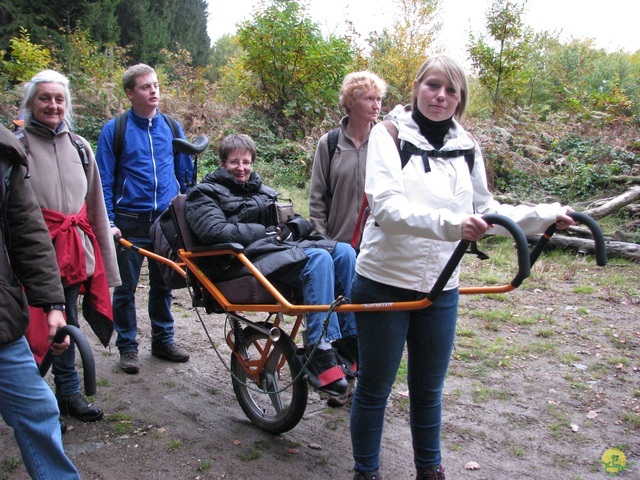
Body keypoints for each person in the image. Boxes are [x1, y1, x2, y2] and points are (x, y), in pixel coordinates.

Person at [349, 55, 577, 480]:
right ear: (416, 87)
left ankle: (429, 470)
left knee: (429, 390)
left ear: (461, 99)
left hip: (442, 286)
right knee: (375, 388)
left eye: (451, 90)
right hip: (384, 281)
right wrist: (454, 225)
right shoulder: (388, 134)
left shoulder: (467, 144)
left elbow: (486, 209)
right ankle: (367, 472)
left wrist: (546, 214)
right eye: (433, 85)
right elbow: (388, 207)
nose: (441, 95)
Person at [185, 134, 357, 397]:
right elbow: (212, 230)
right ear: (222, 163)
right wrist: (263, 232)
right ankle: (318, 348)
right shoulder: (204, 193)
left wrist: (291, 227)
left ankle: (349, 341)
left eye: (246, 162)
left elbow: (298, 221)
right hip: (240, 263)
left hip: (274, 253)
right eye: (234, 162)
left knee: (344, 252)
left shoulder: (263, 192)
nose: (241, 168)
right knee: (319, 258)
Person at [17, 69, 121, 424]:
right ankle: (38, 404)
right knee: (32, 330)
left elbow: (95, 204)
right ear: (30, 102)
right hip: (30, 258)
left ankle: (68, 394)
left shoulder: (80, 146)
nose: (53, 105)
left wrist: (105, 250)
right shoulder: (17, 147)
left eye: (59, 99)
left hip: (73, 253)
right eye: (45, 98)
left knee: (66, 326)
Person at [96, 63, 193, 374]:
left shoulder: (172, 128)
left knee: (164, 284)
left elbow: (184, 174)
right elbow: (103, 181)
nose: (154, 91)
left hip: (165, 220)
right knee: (125, 287)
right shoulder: (115, 130)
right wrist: (109, 220)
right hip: (129, 221)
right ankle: (127, 346)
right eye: (145, 86)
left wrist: (186, 209)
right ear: (130, 93)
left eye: (156, 85)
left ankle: (163, 341)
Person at [0, 123, 80, 479]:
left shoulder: (4, 154)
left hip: (1, 325)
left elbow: (28, 236)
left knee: (39, 410)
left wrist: (53, 305)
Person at [309, 71, 387, 243]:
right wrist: (322, 238)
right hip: (338, 244)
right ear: (350, 102)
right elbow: (317, 197)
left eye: (379, 99)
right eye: (369, 99)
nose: (376, 106)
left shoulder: (386, 142)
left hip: (376, 246)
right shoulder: (329, 143)